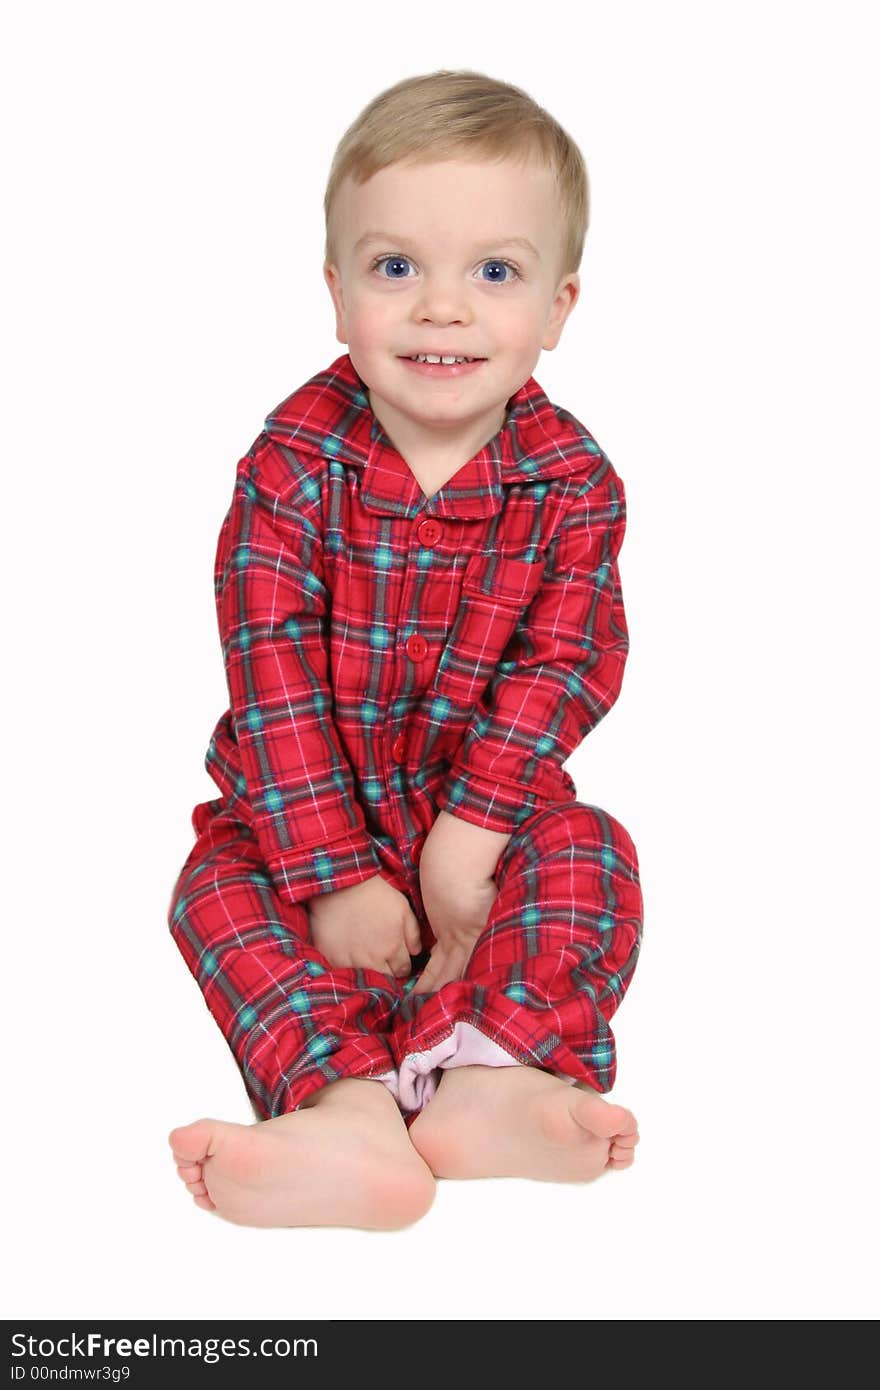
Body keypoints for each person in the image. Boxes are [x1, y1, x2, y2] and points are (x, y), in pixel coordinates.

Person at [167, 68, 644, 1230]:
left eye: (494, 272)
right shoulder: (287, 469)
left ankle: (489, 1074)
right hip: (306, 813)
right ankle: (345, 1110)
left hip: (480, 823)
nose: (442, 308)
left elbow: (567, 661)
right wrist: (331, 874)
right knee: (212, 893)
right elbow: (267, 676)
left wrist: (473, 833)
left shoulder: (573, 483)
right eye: (396, 269)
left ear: (558, 307)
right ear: (336, 295)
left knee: (590, 854)